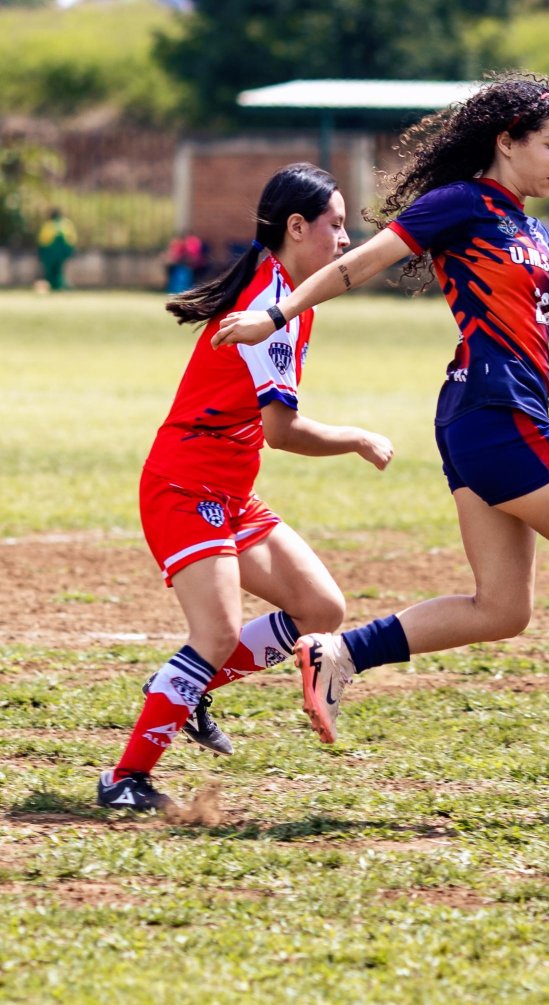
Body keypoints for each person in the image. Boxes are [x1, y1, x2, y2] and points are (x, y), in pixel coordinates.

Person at [213, 71, 549, 796]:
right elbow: (355, 265)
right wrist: (274, 316)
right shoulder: (461, 204)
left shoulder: (537, 235)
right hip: (497, 415)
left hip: (487, 417)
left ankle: (340, 653)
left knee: (503, 608)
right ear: (506, 142)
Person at [98, 164, 394, 811]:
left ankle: (185, 684)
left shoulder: (292, 297)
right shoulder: (269, 307)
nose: (345, 239)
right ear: (296, 227)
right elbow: (281, 431)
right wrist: (356, 437)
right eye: (336, 224)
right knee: (218, 632)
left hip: (228, 491)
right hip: (184, 485)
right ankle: (125, 779)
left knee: (321, 608)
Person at [36, 207, 76, 292]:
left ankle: (54, 286)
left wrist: (41, 251)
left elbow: (42, 239)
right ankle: (59, 286)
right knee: (59, 270)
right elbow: (72, 238)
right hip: (61, 251)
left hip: (50, 251)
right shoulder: (67, 223)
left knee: (50, 271)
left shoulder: (48, 224)